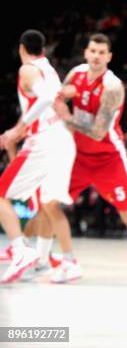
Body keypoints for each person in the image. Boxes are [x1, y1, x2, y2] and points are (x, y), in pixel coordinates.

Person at [52, 33, 127, 285]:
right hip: (76, 156)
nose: (97, 56)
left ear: (109, 57)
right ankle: (56, 260)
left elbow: (99, 132)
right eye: (93, 51)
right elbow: (57, 102)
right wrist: (62, 95)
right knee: (49, 204)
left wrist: (66, 116)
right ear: (86, 53)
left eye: (102, 52)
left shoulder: (112, 86)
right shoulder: (75, 74)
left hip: (108, 158)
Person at [0, 30, 76, 283]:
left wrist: (18, 127)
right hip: (63, 139)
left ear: (22, 48)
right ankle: (43, 261)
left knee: (0, 195)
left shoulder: (28, 70)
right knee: (46, 204)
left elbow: (44, 99)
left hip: (45, 140)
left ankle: (20, 249)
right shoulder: (49, 67)